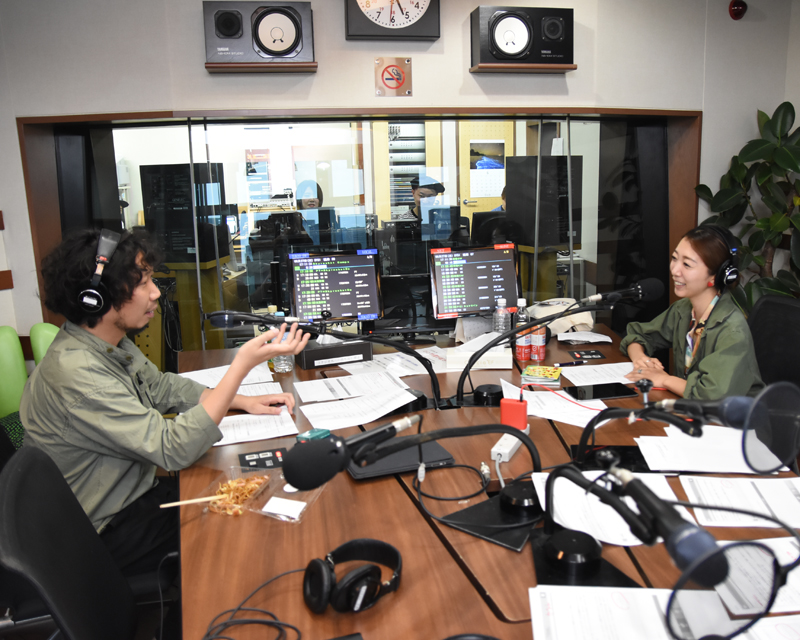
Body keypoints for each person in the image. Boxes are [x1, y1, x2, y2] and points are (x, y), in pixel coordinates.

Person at [20, 228, 310, 576]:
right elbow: (173, 449)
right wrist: (241, 366)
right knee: (241, 528)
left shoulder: (105, 343)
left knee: (249, 493)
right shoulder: (79, 375)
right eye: (141, 283)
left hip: (134, 494)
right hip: (101, 531)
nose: (155, 292)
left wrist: (240, 400)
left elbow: (160, 387)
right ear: (95, 297)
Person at [621, 224, 763, 400]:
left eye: (687, 265)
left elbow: (711, 395)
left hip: (731, 415)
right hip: (689, 409)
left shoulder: (732, 330)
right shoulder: (684, 309)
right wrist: (640, 359)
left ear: (716, 276)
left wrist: (664, 379)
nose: (674, 270)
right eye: (674, 258)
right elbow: (639, 335)